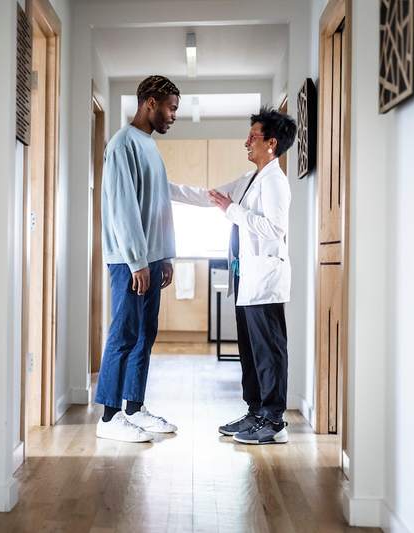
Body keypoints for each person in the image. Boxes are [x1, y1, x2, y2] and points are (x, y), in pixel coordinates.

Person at [170, 107, 297, 445]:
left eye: (253, 137)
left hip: (265, 282)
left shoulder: (276, 183)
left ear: (271, 143)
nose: (247, 142)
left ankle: (274, 422)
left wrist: (233, 211)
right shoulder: (250, 179)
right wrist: (162, 186)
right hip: (247, 280)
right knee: (251, 351)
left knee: (268, 352)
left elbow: (274, 229)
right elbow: (206, 195)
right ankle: (255, 412)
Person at [94, 75, 181, 443]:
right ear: (150, 102)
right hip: (129, 261)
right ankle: (109, 417)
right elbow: (124, 209)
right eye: (170, 108)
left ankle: (134, 407)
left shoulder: (149, 146)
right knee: (125, 333)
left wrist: (165, 255)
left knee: (146, 334)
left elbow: (158, 206)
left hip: (150, 258)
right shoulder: (121, 145)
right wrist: (137, 261)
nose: (173, 116)